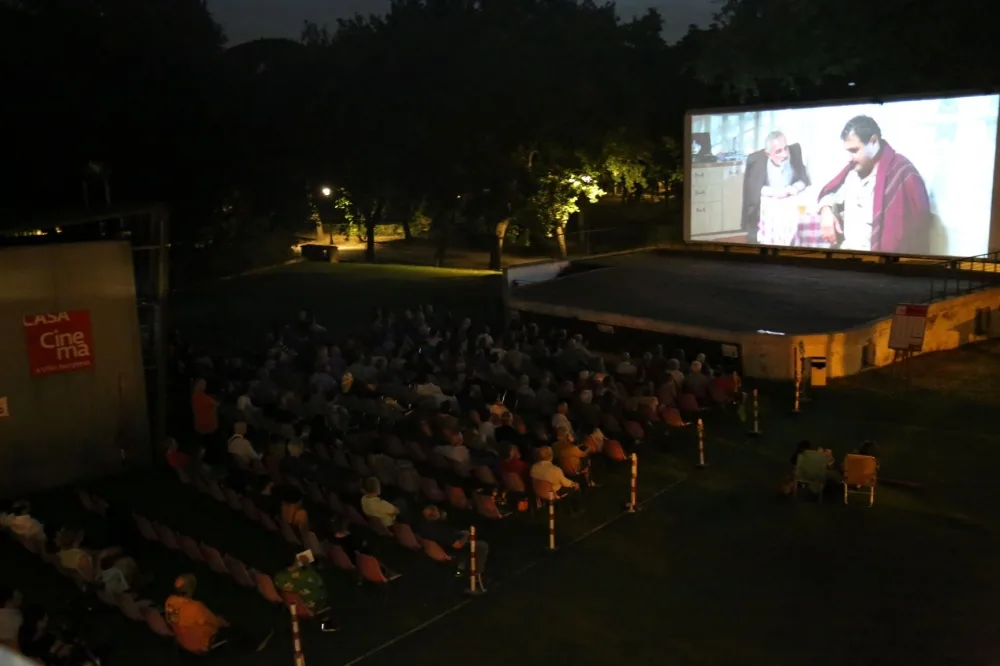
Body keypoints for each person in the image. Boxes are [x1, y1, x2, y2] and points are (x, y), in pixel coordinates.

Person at [818, 115, 931, 254]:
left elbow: (918, 225)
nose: (849, 158)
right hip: (846, 257)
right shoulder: (853, 171)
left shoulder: (901, 172)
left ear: (873, 141)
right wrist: (826, 211)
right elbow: (831, 193)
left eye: (854, 150)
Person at [165, 574, 272, 654]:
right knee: (232, 627)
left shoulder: (169, 602)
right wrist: (223, 621)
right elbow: (216, 623)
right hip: (201, 642)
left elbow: (173, 619)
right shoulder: (195, 607)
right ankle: (254, 645)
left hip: (182, 640)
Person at [742, 130, 811, 244]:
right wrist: (775, 193)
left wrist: (793, 188)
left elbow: (803, 179)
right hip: (770, 203)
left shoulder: (794, 154)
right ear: (768, 154)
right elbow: (755, 189)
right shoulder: (758, 163)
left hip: (790, 200)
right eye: (778, 151)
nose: (785, 154)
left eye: (785, 148)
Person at [415, 505, 489, 578]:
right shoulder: (439, 529)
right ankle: (477, 575)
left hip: (443, 548)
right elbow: (458, 545)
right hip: (451, 552)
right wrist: (466, 535)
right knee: (482, 545)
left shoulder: (424, 526)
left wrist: (461, 533)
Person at [274, 554, 337, 630]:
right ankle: (325, 625)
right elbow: (319, 583)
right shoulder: (307, 572)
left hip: (300, 608)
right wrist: (308, 565)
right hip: (317, 603)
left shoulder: (279, 578)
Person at [529, 446, 584, 513]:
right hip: (554, 494)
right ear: (551, 456)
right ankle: (578, 510)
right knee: (576, 487)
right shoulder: (555, 470)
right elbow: (566, 483)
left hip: (539, 493)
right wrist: (574, 483)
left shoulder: (533, 468)